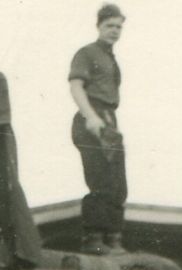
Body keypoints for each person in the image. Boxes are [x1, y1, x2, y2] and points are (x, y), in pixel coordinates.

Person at [68, 4, 127, 255]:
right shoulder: (87, 53)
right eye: (109, 25)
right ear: (99, 26)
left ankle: (113, 238)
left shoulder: (111, 58)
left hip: (109, 119)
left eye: (118, 27)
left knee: (118, 183)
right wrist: (91, 117)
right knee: (100, 179)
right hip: (92, 116)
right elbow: (76, 86)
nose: (114, 30)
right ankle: (94, 238)